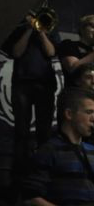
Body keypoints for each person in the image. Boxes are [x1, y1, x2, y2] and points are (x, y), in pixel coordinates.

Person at [2, 12, 59, 185]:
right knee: (21, 132)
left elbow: (50, 52)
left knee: (44, 132)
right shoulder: (18, 28)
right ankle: (18, 178)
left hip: (45, 85)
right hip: (22, 84)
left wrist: (40, 30)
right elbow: (16, 53)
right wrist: (28, 28)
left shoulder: (50, 28)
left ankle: (42, 175)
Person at [58, 15, 94, 88]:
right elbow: (73, 68)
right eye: (93, 26)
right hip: (76, 95)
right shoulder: (69, 44)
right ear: (82, 29)